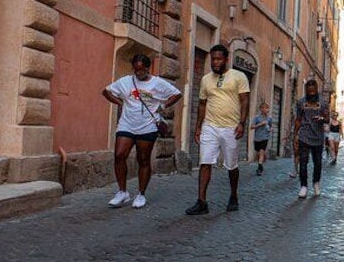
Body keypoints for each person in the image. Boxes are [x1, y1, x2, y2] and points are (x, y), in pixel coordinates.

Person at [102, 54, 182, 209]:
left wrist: (163, 106)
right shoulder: (125, 81)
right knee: (119, 155)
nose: (139, 73)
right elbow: (106, 91)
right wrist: (120, 103)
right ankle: (122, 192)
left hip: (148, 126)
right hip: (126, 125)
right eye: (136, 69)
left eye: (141, 69)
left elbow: (176, 94)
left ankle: (141, 194)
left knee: (143, 159)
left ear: (147, 68)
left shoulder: (157, 83)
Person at [185, 44, 250, 215]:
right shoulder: (206, 79)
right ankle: (201, 202)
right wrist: (198, 127)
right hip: (210, 126)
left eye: (219, 59)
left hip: (231, 127)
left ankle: (233, 196)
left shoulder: (239, 76)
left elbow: (244, 101)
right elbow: (202, 104)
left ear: (226, 59)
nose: (215, 62)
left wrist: (242, 123)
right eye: (213, 59)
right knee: (205, 162)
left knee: (231, 165)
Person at [294, 79, 329, 198]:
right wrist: (295, 136)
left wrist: (322, 119)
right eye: (309, 92)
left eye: (314, 92)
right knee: (303, 161)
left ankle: (316, 182)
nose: (312, 94)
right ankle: (303, 186)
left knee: (317, 162)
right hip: (304, 135)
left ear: (317, 90)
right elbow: (298, 119)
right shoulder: (300, 102)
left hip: (318, 137)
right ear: (306, 91)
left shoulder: (323, 102)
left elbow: (327, 118)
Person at [251, 102, 273, 176]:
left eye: (266, 108)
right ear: (260, 109)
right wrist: (260, 124)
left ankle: (259, 167)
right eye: (263, 108)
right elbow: (252, 127)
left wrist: (270, 129)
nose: (265, 109)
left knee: (262, 151)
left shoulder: (269, 118)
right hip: (257, 138)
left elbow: (271, 126)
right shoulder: (257, 117)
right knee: (258, 153)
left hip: (265, 137)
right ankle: (260, 165)